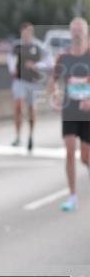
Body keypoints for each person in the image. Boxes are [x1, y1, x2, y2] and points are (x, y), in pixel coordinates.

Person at [48, 17, 90, 212]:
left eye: (80, 30)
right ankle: (72, 195)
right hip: (71, 109)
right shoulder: (63, 57)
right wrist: (55, 93)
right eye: (74, 30)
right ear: (70, 33)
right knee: (70, 151)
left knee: (85, 157)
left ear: (86, 33)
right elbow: (53, 80)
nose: (77, 33)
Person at [7, 22, 52, 151]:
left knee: (32, 109)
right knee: (18, 105)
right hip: (19, 80)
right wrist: (12, 69)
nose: (25, 35)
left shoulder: (38, 46)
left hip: (33, 82)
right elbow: (10, 58)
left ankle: (31, 136)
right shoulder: (17, 45)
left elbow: (49, 61)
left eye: (28, 32)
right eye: (23, 32)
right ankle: (17, 136)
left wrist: (36, 65)